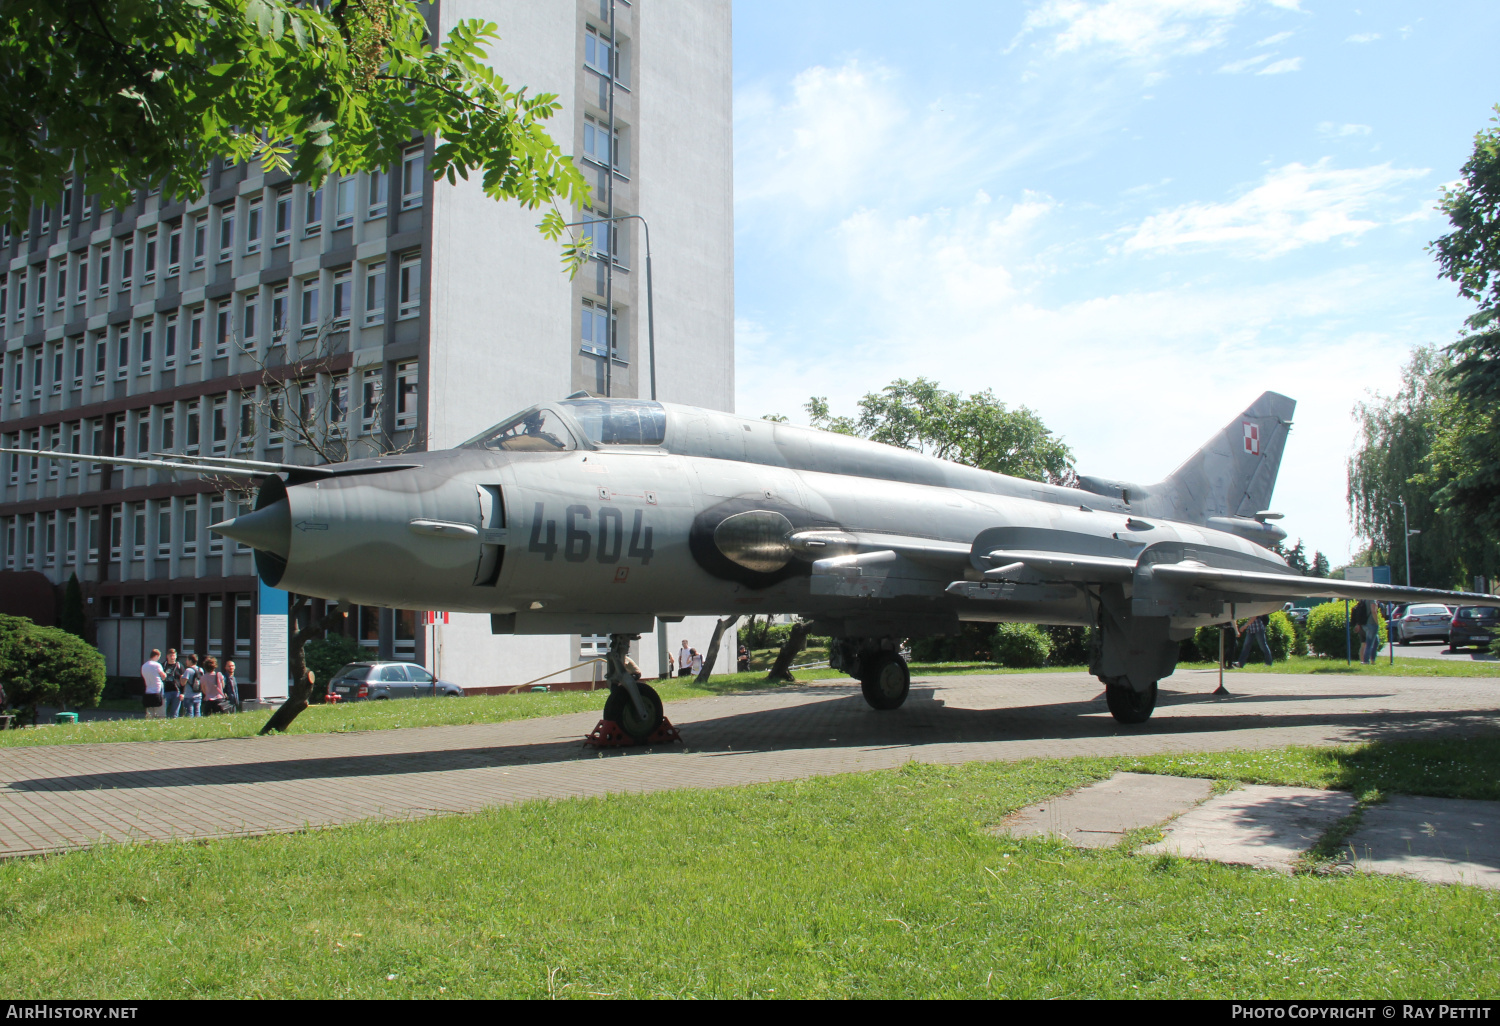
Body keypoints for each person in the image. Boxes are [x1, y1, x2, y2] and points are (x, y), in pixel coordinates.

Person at [140, 649, 166, 719]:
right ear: (157, 656)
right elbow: (163, 676)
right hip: (158, 691)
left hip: (148, 691)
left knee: (150, 713)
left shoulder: (144, 666)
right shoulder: (157, 665)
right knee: (160, 713)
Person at [1354, 598, 1381, 664]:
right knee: (1369, 644)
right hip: (1371, 624)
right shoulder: (1372, 600)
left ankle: (1373, 660)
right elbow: (1373, 611)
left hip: (1364, 624)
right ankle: (1366, 661)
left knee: (1376, 641)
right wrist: (1377, 623)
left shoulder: (1364, 600)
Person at [161, 648, 183, 718]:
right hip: (165, 691)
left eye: (174, 656)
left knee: (174, 713)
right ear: (167, 656)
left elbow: (183, 680)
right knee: (162, 711)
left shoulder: (179, 666)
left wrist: (183, 693)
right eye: (170, 656)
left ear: (176, 656)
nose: (172, 658)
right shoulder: (163, 665)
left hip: (176, 691)